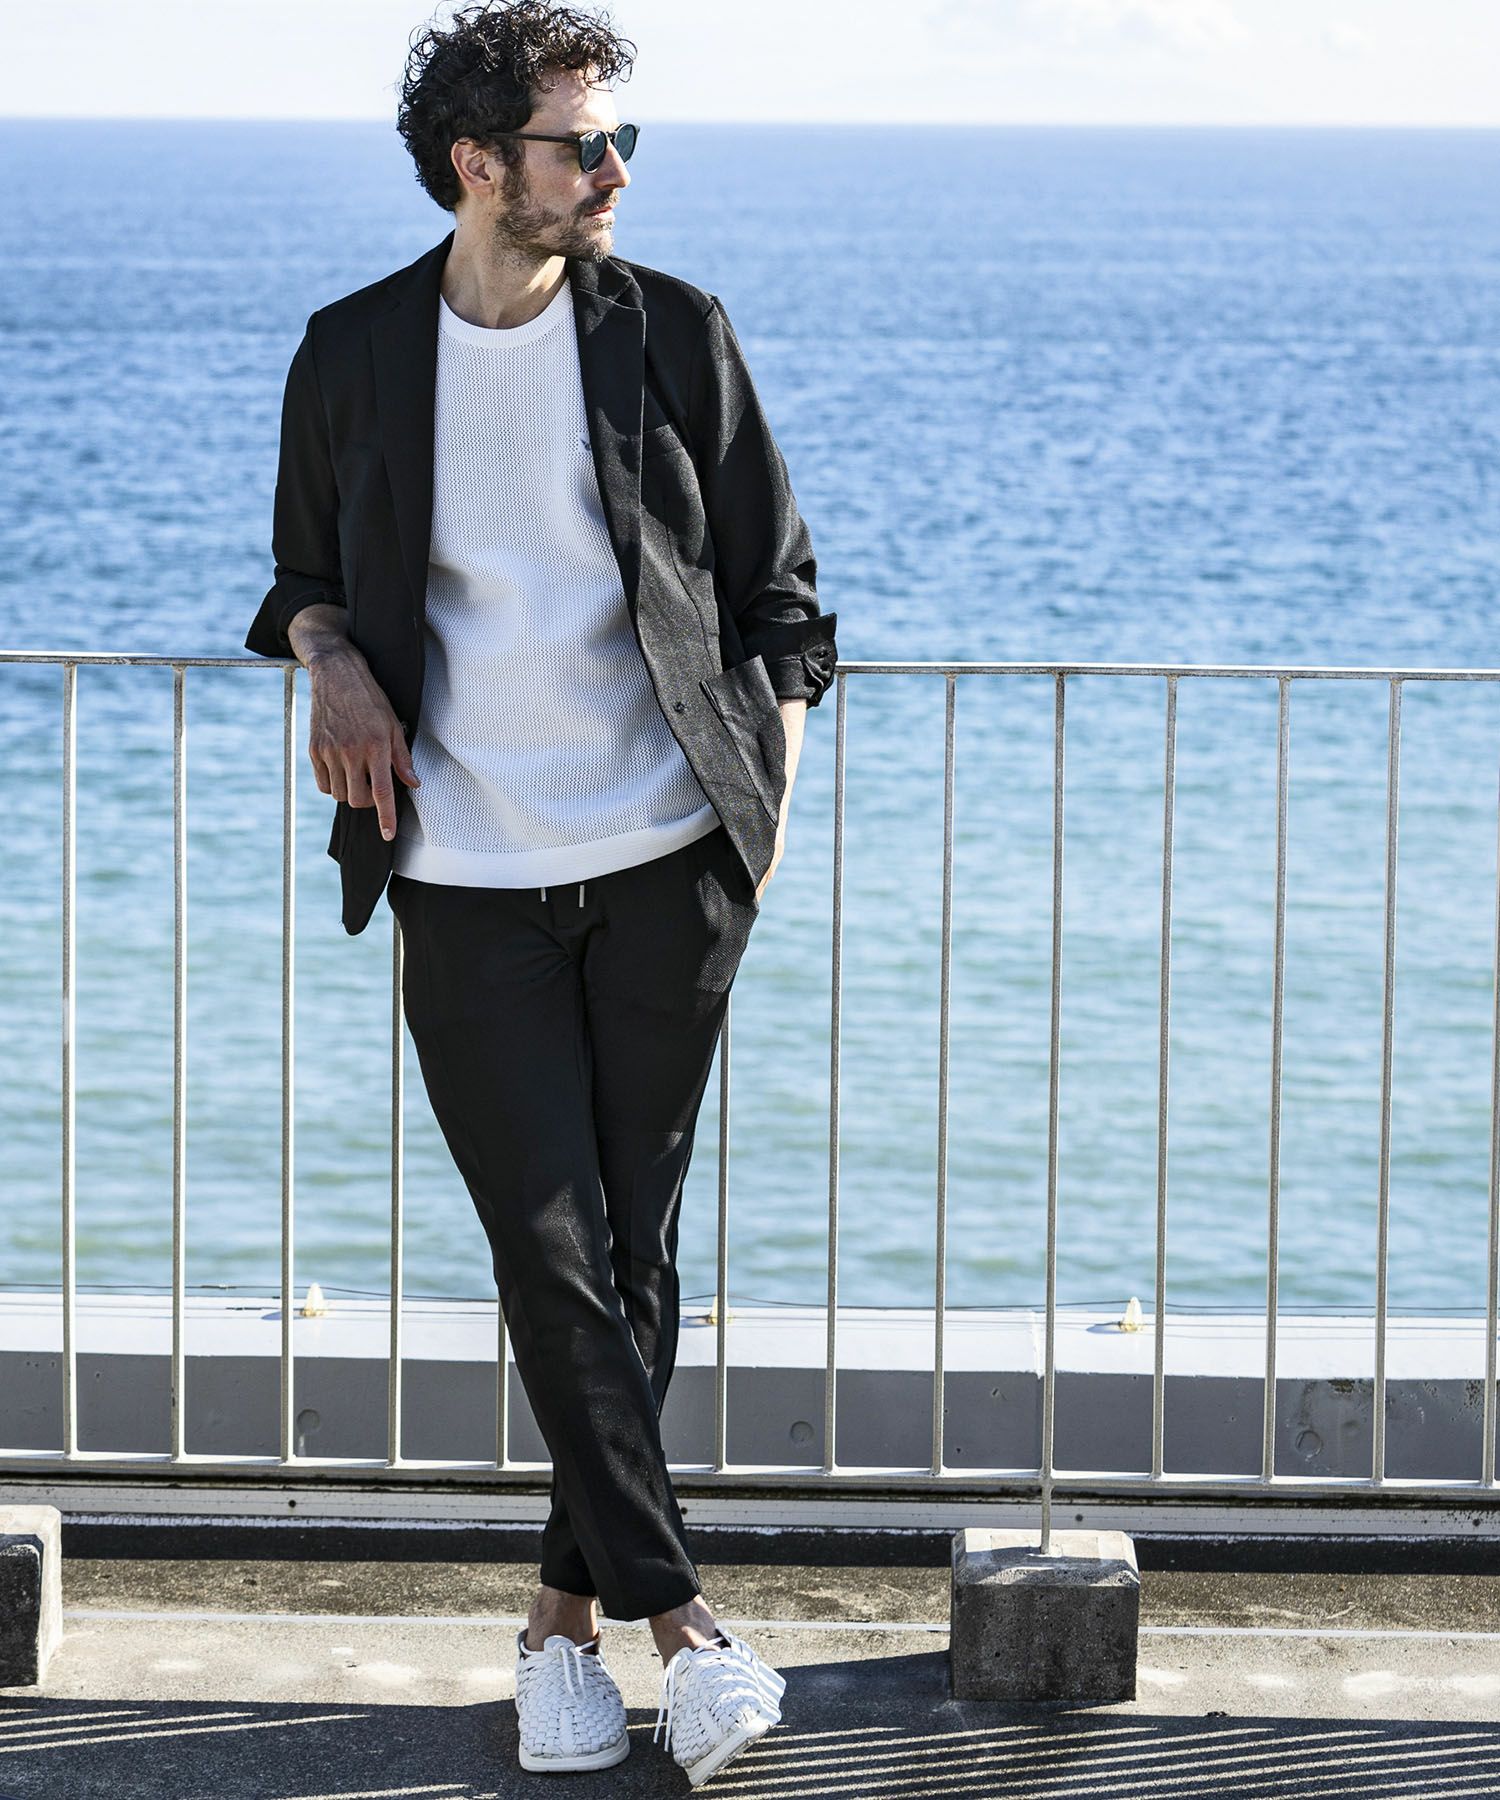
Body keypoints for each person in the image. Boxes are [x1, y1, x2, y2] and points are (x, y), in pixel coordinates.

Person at [243, 0, 837, 1783]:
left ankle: (556, 1632)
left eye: (619, 140)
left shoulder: (671, 331)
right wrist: (333, 660)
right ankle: (687, 1629)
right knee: (552, 1250)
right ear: (478, 165)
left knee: (629, 1259)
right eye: (584, 145)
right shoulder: (355, 352)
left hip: (669, 867)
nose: (615, 171)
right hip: (468, 877)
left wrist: (766, 805)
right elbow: (296, 574)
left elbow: (783, 601)